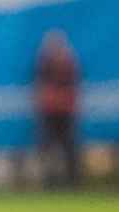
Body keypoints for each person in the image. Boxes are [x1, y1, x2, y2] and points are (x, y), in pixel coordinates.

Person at [34, 30, 81, 190]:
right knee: (47, 146)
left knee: (69, 145)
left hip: (66, 110)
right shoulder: (43, 65)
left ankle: (72, 181)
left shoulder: (70, 64)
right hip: (49, 110)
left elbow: (74, 86)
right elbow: (40, 87)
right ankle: (50, 181)